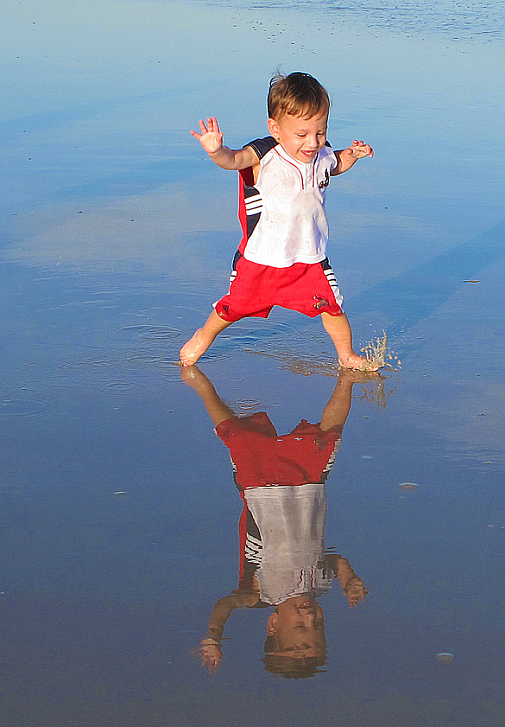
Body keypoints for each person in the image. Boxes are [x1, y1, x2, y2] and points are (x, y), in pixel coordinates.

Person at [182, 364, 371, 677]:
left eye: (299, 626)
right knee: (330, 434)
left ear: (273, 623)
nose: (310, 618)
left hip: (260, 487)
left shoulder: (259, 595)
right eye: (318, 626)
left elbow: (225, 605)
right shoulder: (320, 585)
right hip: (310, 484)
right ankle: (347, 378)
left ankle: (200, 385)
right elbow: (333, 559)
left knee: (237, 435)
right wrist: (348, 579)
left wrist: (213, 636)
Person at [180, 71, 375, 370]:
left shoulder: (320, 154)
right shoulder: (263, 156)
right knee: (233, 308)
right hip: (263, 258)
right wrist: (216, 150)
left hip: (308, 257)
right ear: (275, 128)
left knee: (332, 306)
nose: (312, 142)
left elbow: (335, 164)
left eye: (320, 132)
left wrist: (352, 155)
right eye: (302, 135)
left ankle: (346, 354)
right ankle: (203, 337)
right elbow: (232, 160)